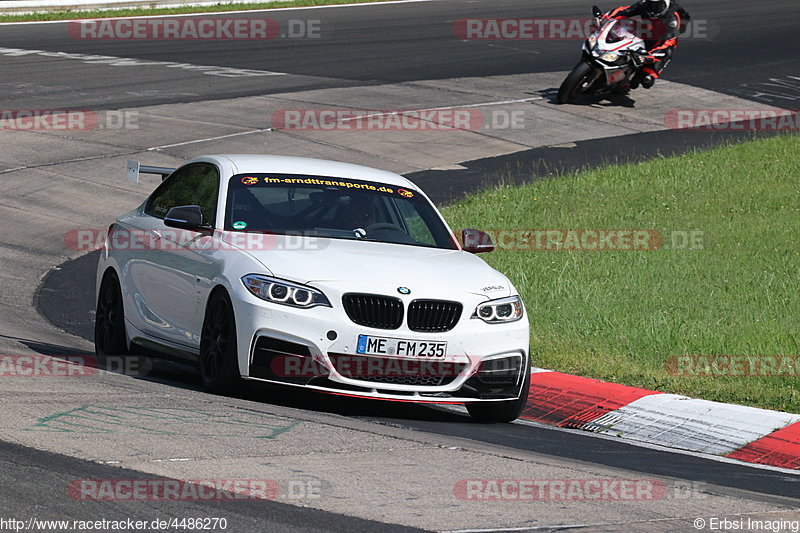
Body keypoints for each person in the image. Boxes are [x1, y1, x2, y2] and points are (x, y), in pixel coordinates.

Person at [606, 0, 691, 89]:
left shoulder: (672, 19)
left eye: (657, 6)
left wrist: (650, 56)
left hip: (662, 43)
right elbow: (625, 10)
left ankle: (628, 82)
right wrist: (606, 17)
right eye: (650, 5)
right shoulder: (644, 5)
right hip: (647, 33)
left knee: (646, 81)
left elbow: (667, 44)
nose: (653, 9)